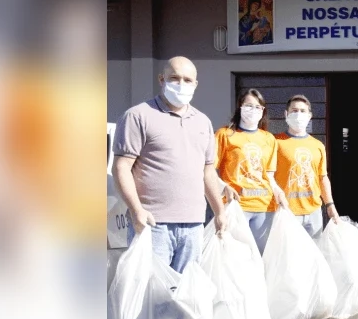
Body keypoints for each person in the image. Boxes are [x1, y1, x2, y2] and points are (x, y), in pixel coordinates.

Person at [112, 56, 228, 273]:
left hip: (194, 225)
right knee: (152, 295)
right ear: (161, 79)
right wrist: (136, 210)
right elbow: (121, 167)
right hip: (152, 224)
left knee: (185, 295)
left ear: (195, 84)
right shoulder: (138, 116)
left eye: (187, 79)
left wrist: (219, 211)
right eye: (174, 78)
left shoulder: (203, 122)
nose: (181, 84)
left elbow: (208, 173)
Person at [216, 88, 289, 252]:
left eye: (258, 107)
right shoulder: (225, 135)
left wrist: (279, 192)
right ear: (240, 107)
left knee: (261, 257)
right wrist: (223, 187)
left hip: (264, 207)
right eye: (248, 105)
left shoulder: (268, 138)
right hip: (235, 207)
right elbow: (209, 171)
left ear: (263, 111)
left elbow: (269, 175)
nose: (253, 110)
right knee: (235, 257)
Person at [275, 95, 339, 236]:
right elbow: (268, 176)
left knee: (313, 255)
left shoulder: (317, 146)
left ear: (309, 116)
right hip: (286, 211)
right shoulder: (276, 143)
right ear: (286, 114)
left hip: (313, 212)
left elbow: (322, 178)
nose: (298, 114)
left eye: (303, 111)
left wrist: (330, 205)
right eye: (294, 110)